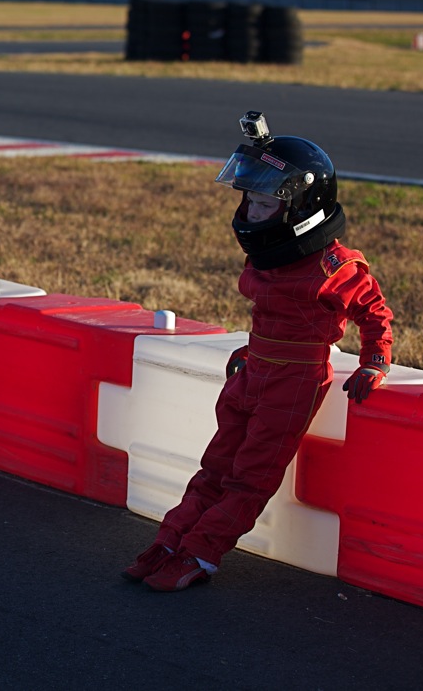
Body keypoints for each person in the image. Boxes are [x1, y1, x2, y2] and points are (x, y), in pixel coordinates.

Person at [124, 111, 394, 592]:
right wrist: (252, 355)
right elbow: (266, 316)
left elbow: (374, 312)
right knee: (215, 466)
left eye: (265, 202)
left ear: (300, 208)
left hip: (294, 379)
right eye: (249, 198)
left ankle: (201, 555)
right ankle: (169, 540)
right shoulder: (269, 259)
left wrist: (376, 360)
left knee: (249, 477)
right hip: (252, 371)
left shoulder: (333, 265)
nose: (251, 211)